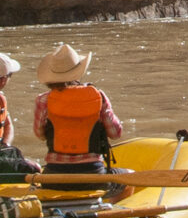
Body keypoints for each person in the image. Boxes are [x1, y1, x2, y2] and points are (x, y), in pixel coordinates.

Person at [31, 43, 123, 175]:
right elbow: (115, 133)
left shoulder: (42, 100)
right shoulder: (99, 96)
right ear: (78, 74)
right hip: (93, 172)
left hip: (54, 173)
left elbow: (40, 135)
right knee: (128, 176)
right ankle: (108, 195)